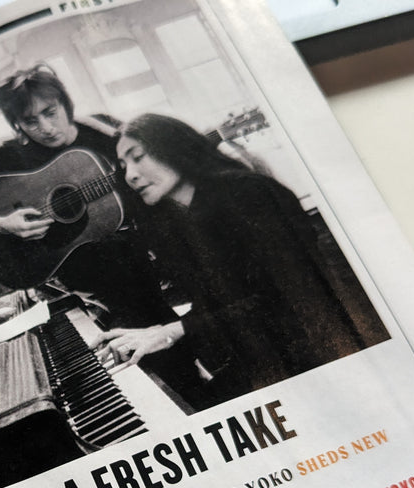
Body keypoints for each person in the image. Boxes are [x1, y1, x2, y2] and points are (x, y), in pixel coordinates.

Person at [98, 113, 372, 405]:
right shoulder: (182, 220)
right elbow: (223, 303)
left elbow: (287, 300)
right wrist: (159, 333)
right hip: (266, 359)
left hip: (321, 360)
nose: (130, 176)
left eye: (138, 157)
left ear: (173, 146)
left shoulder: (249, 193)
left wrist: (175, 331)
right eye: (124, 167)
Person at [0, 65, 176, 331]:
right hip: (92, 267)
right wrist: (1, 224)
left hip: (149, 243)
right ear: (17, 124)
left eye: (51, 113)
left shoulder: (100, 127)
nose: (46, 128)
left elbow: (159, 159)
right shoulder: (11, 155)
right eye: (30, 122)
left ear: (65, 104)